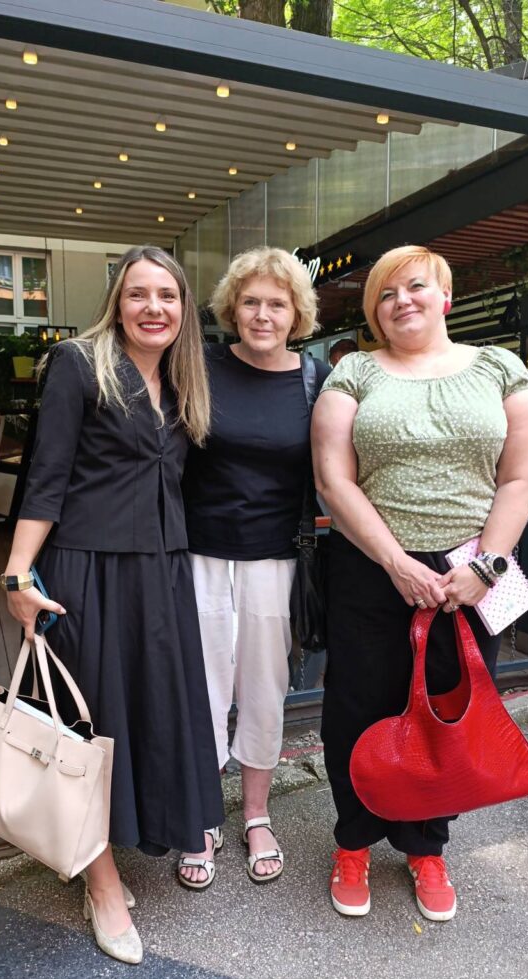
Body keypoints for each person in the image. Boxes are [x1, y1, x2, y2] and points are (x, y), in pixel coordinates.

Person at [2, 246, 224, 963]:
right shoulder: (77, 361)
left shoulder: (186, 376)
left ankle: (118, 846)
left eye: (167, 294)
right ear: (116, 302)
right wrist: (16, 572)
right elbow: (47, 474)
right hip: (89, 571)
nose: (153, 307)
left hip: (161, 574)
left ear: (183, 308)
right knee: (88, 727)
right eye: (138, 294)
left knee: (146, 715)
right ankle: (100, 882)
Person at [311, 244, 528, 922]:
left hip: (472, 569)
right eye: (385, 294)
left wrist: (486, 566)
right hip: (369, 564)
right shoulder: (352, 371)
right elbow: (333, 478)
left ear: (443, 297)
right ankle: (353, 839)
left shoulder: (499, 367)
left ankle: (425, 845)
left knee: (449, 706)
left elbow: (519, 477)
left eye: (414, 287)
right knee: (357, 706)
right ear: (373, 312)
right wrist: (393, 560)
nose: (400, 301)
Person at [180, 247, 329, 889]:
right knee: (201, 688)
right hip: (199, 553)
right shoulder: (200, 366)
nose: (262, 314)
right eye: (250, 302)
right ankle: (203, 814)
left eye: (276, 303)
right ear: (231, 308)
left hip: (277, 557)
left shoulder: (315, 379)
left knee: (264, 689)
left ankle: (258, 814)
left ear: (296, 312)